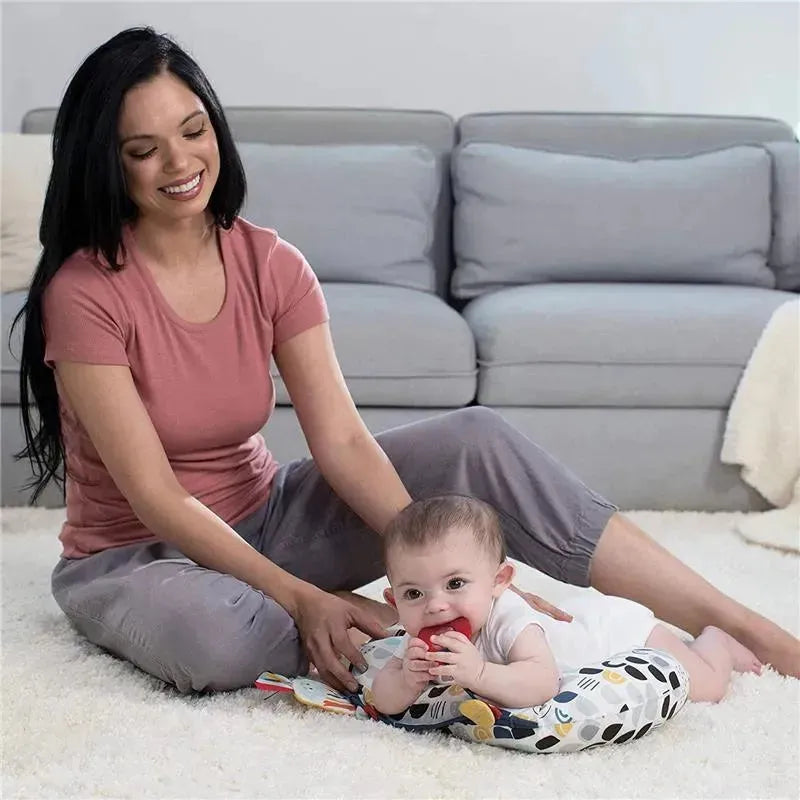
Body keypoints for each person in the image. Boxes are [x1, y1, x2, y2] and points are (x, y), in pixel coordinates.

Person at [11, 27, 798, 696]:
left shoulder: (268, 262)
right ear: (105, 163)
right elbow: (153, 496)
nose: (180, 161)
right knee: (218, 642)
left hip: (271, 516)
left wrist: (420, 563)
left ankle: (736, 622)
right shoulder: (85, 292)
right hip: (143, 558)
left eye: (194, 129)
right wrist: (307, 598)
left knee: (476, 440)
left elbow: (344, 443)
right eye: (142, 150)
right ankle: (394, 632)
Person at [369, 495, 763, 714]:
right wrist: (406, 679)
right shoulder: (419, 637)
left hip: (618, 636)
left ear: (499, 583)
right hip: (578, 622)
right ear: (393, 600)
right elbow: (382, 700)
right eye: (414, 594)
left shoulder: (510, 618)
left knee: (707, 686)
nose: (436, 606)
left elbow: (542, 683)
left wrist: (480, 673)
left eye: (455, 583)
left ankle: (717, 641)